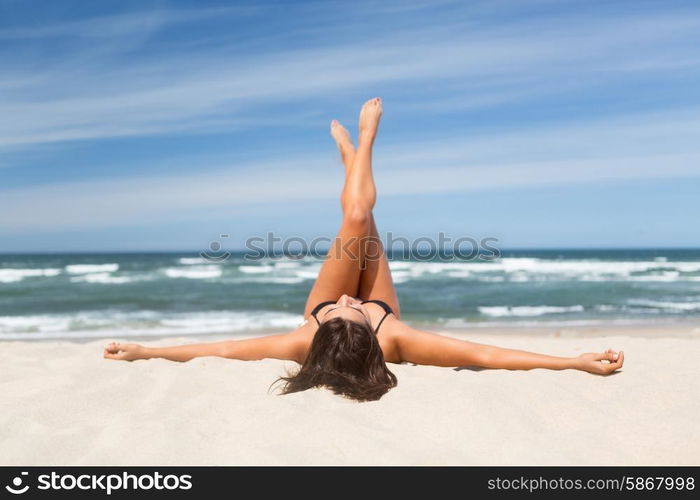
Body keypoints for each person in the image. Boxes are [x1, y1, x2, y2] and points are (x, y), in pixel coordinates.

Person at [104, 98, 624, 401]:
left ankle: (357, 154)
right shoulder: (394, 335)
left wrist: (147, 350)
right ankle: (358, 155)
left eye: (342, 311)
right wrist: (573, 362)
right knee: (365, 217)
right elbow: (485, 356)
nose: (349, 301)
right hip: (386, 312)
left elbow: (218, 349)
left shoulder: (308, 334)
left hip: (323, 319)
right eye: (352, 312)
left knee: (353, 217)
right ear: (372, 336)